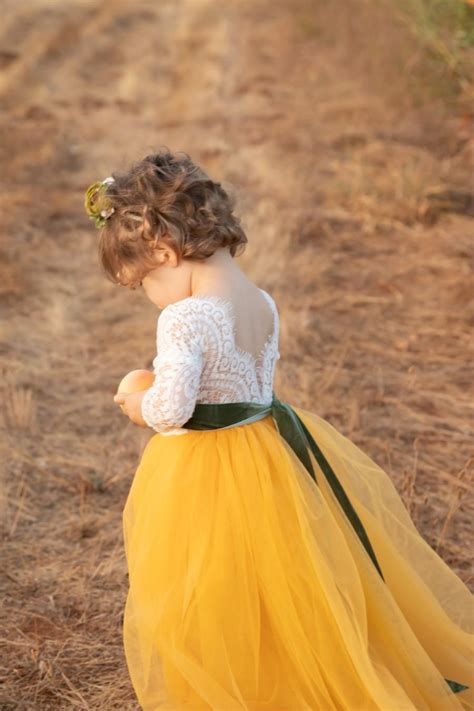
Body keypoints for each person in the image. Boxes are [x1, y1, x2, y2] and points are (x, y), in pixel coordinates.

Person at [84, 148, 473, 711]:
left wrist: (132, 397)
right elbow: (240, 381)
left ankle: (239, 681)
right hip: (270, 453)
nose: (148, 296)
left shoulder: (185, 316)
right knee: (287, 576)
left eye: (142, 283)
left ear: (164, 252)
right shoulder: (261, 301)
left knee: (209, 582)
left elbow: (171, 409)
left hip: (209, 469)